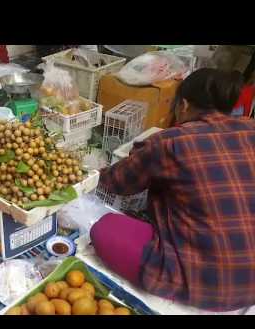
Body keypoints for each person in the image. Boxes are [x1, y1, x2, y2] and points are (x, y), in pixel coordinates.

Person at [90, 68, 255, 312]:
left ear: (184, 105)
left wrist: (97, 171)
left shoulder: (171, 141)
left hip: (210, 284)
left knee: (106, 228)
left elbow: (117, 183)